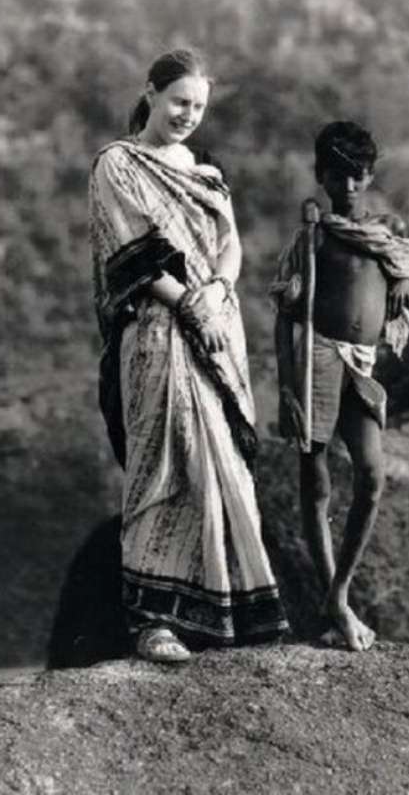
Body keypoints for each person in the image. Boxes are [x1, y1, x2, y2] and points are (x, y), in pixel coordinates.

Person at [89, 48, 288, 663]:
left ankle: (235, 615)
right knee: (165, 463)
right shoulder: (118, 166)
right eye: (179, 102)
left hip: (217, 331)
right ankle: (154, 623)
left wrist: (220, 292)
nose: (188, 116)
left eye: (198, 107)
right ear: (150, 94)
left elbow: (231, 246)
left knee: (224, 462)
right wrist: (190, 305)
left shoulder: (205, 171)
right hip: (157, 330)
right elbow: (134, 256)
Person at [271, 121, 409, 651]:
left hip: (362, 363)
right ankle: (335, 604)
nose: (350, 186)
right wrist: (287, 390)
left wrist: (405, 277)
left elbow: (406, 265)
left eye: (359, 175)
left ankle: (338, 594)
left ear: (371, 175)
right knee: (315, 483)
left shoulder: (388, 231)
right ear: (322, 176)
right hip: (316, 357)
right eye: (339, 175)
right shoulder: (312, 237)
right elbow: (284, 317)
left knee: (372, 475)